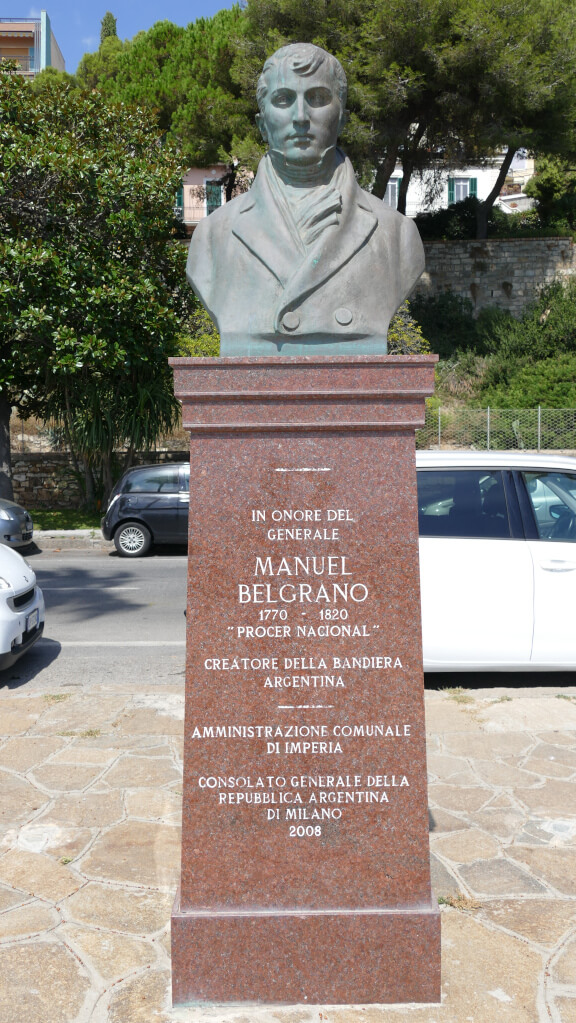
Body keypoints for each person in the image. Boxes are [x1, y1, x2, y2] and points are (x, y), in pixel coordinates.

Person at [186, 43, 425, 357]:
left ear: (342, 118)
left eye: (318, 98)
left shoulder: (396, 235)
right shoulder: (212, 237)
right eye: (284, 99)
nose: (301, 116)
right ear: (261, 123)